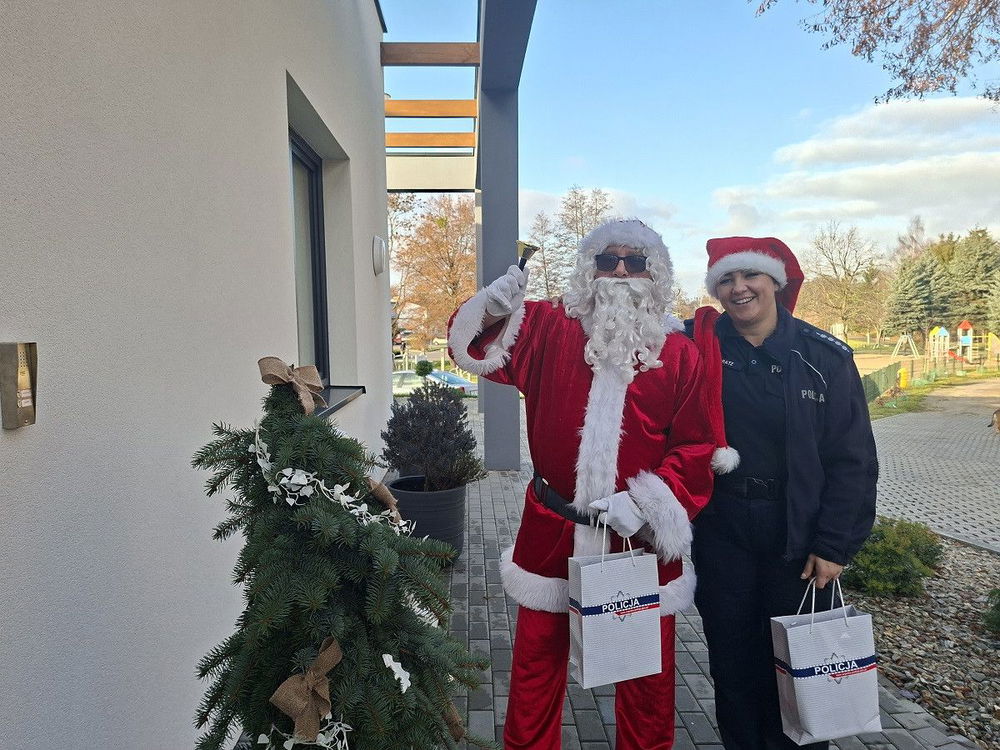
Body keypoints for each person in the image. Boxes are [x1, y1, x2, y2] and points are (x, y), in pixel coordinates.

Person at [448, 219, 715, 750]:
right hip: (552, 529)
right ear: (589, 269)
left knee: (646, 680)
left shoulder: (680, 353)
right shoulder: (547, 327)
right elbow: (473, 349)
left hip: (636, 539)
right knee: (535, 669)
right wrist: (492, 308)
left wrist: (646, 503)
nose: (620, 271)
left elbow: (696, 446)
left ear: (655, 273)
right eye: (607, 260)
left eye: (635, 262)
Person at [686, 236, 878, 750]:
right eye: (726, 279)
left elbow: (853, 460)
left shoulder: (823, 357)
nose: (739, 288)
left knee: (800, 667)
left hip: (796, 535)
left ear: (775, 281)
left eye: (750, 275)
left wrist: (834, 544)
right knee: (733, 663)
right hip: (722, 529)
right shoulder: (695, 347)